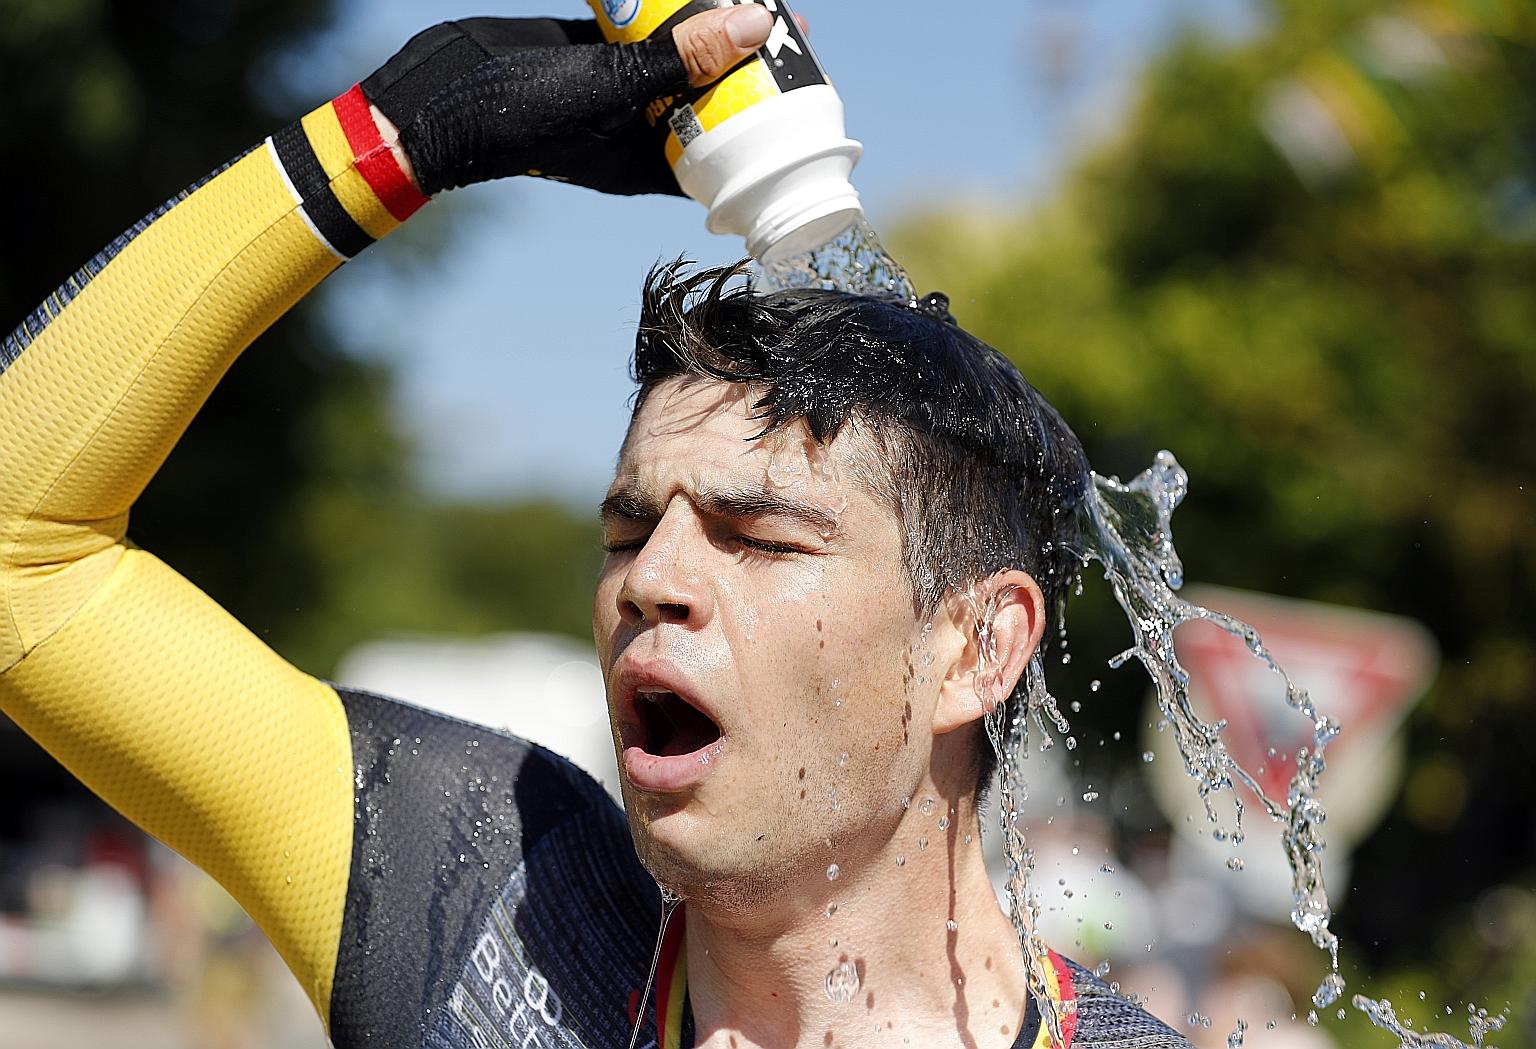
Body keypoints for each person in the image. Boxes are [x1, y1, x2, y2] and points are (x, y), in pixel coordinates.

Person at [0, 7, 1192, 1049]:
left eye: (760, 537)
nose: (652, 582)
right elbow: (18, 554)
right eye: (628, 533)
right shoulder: (480, 887)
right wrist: (409, 128)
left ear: (976, 648)